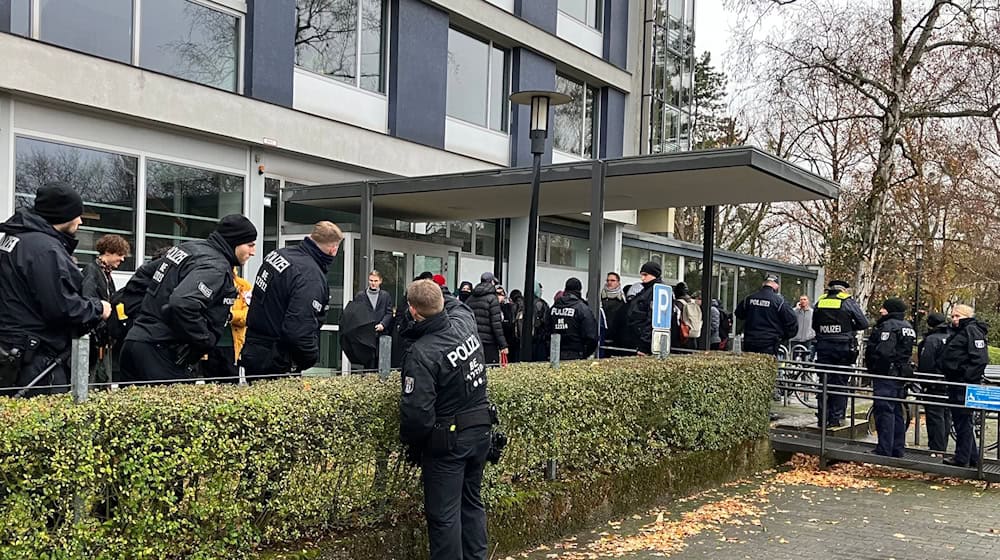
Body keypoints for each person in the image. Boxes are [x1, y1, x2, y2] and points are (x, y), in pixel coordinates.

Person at [399, 279, 493, 560]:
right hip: (480, 431)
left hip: (448, 443)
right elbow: (458, 306)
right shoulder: (464, 325)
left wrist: (412, 445)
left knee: (444, 517)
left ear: (414, 311)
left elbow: (417, 415)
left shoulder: (422, 353)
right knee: (471, 503)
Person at [0, 183, 111, 396]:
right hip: (35, 359)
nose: (80, 221)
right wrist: (99, 308)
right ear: (63, 215)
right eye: (77, 215)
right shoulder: (45, 249)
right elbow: (62, 307)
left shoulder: (16, 239)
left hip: (12, 352)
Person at [120, 215, 257, 383]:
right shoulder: (215, 266)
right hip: (162, 352)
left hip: (135, 344)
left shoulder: (189, 249)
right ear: (234, 242)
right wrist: (202, 341)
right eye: (249, 245)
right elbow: (183, 303)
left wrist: (143, 320)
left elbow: (141, 277)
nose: (253, 252)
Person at [241, 222, 342, 378]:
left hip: (254, 348)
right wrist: (308, 358)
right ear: (333, 249)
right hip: (277, 360)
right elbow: (298, 330)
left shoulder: (278, 255)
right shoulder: (310, 276)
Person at [938, 304, 989, 467]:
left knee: (963, 420)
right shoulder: (961, 331)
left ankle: (962, 457)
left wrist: (966, 377)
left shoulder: (971, 331)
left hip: (963, 383)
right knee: (961, 420)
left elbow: (980, 359)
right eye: (952, 316)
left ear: (967, 316)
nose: (954, 319)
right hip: (957, 381)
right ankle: (971, 456)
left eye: (957, 316)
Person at [812, 280, 868, 427]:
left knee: (824, 382)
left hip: (823, 347)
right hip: (842, 348)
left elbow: (814, 325)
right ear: (843, 290)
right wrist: (849, 327)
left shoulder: (820, 302)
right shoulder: (847, 302)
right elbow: (864, 323)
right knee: (840, 382)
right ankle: (836, 418)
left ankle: (822, 418)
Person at [865, 298, 916, 458]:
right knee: (897, 411)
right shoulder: (908, 326)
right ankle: (897, 448)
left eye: (884, 308)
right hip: (900, 374)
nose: (881, 311)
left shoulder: (888, 326)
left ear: (890, 310)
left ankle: (884, 448)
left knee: (884, 410)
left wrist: (875, 369)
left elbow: (884, 352)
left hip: (887, 374)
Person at [82, 234, 131, 384]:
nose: (122, 259)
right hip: (94, 338)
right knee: (94, 378)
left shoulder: (104, 273)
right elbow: (88, 299)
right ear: (108, 252)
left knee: (101, 378)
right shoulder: (92, 271)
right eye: (120, 254)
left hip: (102, 338)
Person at [201, 267, 252, 382]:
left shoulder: (243, 286)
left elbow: (249, 315)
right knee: (210, 387)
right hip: (209, 344)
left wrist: (231, 315)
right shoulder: (205, 285)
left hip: (231, 345)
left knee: (231, 385)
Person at [735, 274, 797, 356]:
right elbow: (792, 321)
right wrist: (784, 337)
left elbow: (739, 313)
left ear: (763, 284)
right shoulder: (779, 302)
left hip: (750, 341)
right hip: (769, 343)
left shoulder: (749, 298)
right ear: (776, 285)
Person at [917, 312, 951, 453]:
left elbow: (926, 362)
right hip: (949, 382)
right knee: (945, 415)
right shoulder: (951, 337)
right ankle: (942, 446)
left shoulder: (931, 340)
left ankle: (936, 448)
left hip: (934, 383)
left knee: (934, 415)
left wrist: (924, 381)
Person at [353, 270, 394, 370]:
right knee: (367, 361)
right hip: (366, 334)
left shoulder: (385, 296)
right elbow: (356, 313)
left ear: (380, 281)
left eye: (375, 281)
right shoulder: (361, 296)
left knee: (381, 360)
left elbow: (389, 313)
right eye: (371, 280)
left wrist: (383, 324)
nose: (373, 283)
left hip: (382, 333)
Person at [549, 278, 598, 360]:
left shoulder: (553, 308)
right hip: (576, 353)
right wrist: (585, 353)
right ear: (579, 290)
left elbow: (546, 330)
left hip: (555, 354)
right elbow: (591, 336)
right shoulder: (582, 308)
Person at [466, 272, 508, 365]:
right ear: (492, 282)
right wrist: (503, 345)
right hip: (489, 343)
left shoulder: (471, 298)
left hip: (473, 341)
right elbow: (496, 325)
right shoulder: (492, 299)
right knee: (491, 368)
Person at [624, 261, 663, 355]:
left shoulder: (655, 291)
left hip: (645, 343)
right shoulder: (646, 290)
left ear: (654, 274)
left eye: (645, 275)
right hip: (639, 340)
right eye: (641, 275)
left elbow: (652, 320)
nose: (642, 278)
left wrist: (644, 345)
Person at [600, 272, 627, 356]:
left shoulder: (622, 300)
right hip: (602, 335)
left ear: (618, 282)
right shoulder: (600, 298)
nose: (609, 282)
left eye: (612, 280)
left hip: (616, 338)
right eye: (608, 280)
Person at [531, 282, 550, 361]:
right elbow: (547, 323)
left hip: (522, 344)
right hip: (539, 342)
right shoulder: (542, 304)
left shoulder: (522, 302)